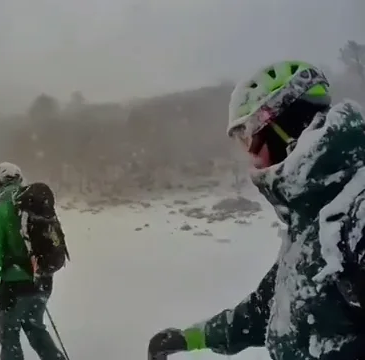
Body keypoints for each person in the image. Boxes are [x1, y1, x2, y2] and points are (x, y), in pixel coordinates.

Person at [147, 60, 365, 360]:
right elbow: (265, 308)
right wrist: (190, 338)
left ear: (285, 127)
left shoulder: (357, 214)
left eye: (249, 136)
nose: (250, 154)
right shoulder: (311, 217)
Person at [0, 162, 68, 360]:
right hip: (42, 279)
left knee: (9, 336)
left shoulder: (0, 210)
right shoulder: (35, 204)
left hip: (14, 284)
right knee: (36, 328)